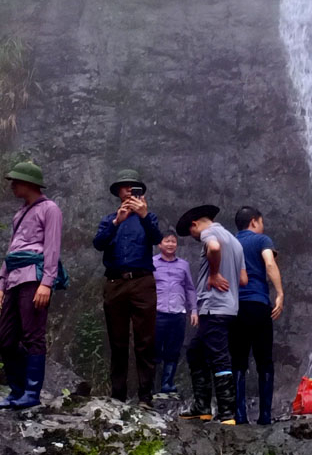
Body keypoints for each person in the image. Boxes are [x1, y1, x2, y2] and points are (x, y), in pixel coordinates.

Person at [0, 161, 63, 411]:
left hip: (34, 277)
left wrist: (47, 283)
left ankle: (31, 393)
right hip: (13, 279)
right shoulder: (19, 214)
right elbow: (11, 250)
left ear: (29, 184)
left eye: (16, 181)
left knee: (33, 335)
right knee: (5, 336)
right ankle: (16, 390)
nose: (12, 186)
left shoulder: (50, 209)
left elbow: (52, 247)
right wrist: (0, 283)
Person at [92, 169, 162, 406]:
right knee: (118, 340)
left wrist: (144, 215)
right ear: (118, 193)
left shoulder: (148, 218)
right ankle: (118, 395)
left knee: (145, 340)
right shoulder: (109, 219)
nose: (128, 191)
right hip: (115, 282)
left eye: (133, 187)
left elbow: (157, 239)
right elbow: (98, 243)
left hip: (142, 281)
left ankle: (145, 396)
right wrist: (115, 222)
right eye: (124, 187)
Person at [175, 205, 246, 425]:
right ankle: (202, 407)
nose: (195, 238)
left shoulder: (209, 233)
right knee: (196, 352)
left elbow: (213, 248)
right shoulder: (235, 241)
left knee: (219, 356)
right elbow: (243, 279)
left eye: (192, 234)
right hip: (229, 307)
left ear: (195, 224)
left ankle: (226, 413)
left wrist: (214, 274)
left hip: (213, 306)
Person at [231, 206, 284, 425]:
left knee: (238, 361)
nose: (262, 226)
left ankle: (239, 415)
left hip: (235, 307)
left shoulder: (230, 242)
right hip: (259, 303)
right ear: (254, 222)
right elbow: (269, 262)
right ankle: (265, 416)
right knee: (264, 361)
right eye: (261, 222)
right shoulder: (262, 240)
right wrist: (280, 293)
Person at [152, 230, 198, 399]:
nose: (170, 244)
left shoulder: (183, 265)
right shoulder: (152, 263)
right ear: (160, 244)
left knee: (173, 350)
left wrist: (194, 310)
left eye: (173, 241)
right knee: (154, 350)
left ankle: (167, 384)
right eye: (167, 241)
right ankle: (151, 386)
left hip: (178, 313)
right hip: (158, 313)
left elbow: (190, 288)